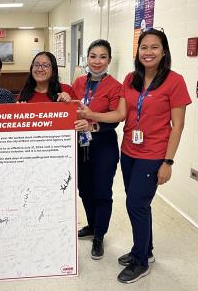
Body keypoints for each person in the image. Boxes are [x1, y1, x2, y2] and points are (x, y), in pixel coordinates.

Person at [80, 29, 191, 283]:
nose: (148, 52)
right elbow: (120, 114)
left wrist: (168, 162)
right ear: (137, 51)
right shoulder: (130, 79)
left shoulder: (175, 81)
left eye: (154, 47)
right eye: (144, 47)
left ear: (164, 52)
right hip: (129, 150)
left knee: (136, 205)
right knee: (137, 202)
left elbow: (178, 125)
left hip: (153, 154)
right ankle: (146, 251)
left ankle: (140, 261)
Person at [71, 39, 123, 260]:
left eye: (103, 57)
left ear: (109, 60)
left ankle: (99, 236)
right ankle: (92, 225)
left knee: (102, 192)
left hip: (104, 146)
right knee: (84, 189)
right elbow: (70, 109)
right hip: (82, 145)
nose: (97, 61)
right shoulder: (79, 82)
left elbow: (116, 118)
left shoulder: (115, 86)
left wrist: (93, 123)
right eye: (93, 56)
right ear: (87, 59)